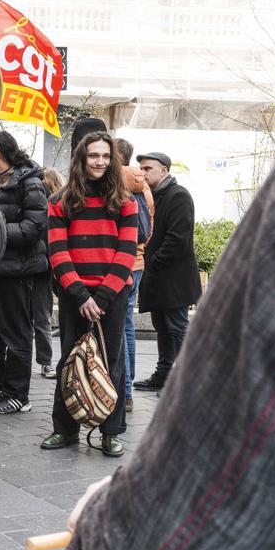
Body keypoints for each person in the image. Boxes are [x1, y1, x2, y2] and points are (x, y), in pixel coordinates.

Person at [63, 169, 275, 550]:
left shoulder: (156, 198)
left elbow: (240, 381)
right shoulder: (77, 199)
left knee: (167, 336)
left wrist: (129, 508)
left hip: (132, 286)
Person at [41, 132, 138, 457]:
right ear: (81, 159)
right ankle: (65, 430)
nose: (100, 162)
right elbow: (58, 252)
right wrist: (82, 296)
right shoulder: (60, 201)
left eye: (106, 156)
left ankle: (111, 432)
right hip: (74, 294)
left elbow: (126, 253)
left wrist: (103, 297)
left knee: (112, 363)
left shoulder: (126, 201)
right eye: (94, 155)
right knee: (69, 360)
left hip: (113, 294)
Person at [0, 131, 48, 414]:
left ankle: (18, 395)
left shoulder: (31, 183)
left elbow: (34, 228)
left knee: (15, 334)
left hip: (17, 270)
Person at [134, 152, 201, 393]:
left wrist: (152, 263)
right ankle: (163, 376)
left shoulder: (178, 195)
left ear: (164, 171)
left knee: (177, 329)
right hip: (158, 279)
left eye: (148, 168)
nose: (142, 173)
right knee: (162, 329)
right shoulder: (150, 196)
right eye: (141, 168)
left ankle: (186, 382)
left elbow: (177, 239)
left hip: (174, 280)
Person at [115, 138, 154, 411]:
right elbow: (149, 228)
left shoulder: (115, 182)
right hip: (137, 261)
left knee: (117, 327)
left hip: (121, 263)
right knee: (127, 325)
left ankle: (122, 392)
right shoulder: (145, 186)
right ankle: (127, 389)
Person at [34, 167, 64, 380]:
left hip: (36, 267)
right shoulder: (58, 203)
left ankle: (44, 362)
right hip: (46, 268)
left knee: (36, 318)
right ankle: (46, 363)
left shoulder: (47, 203)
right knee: (42, 318)